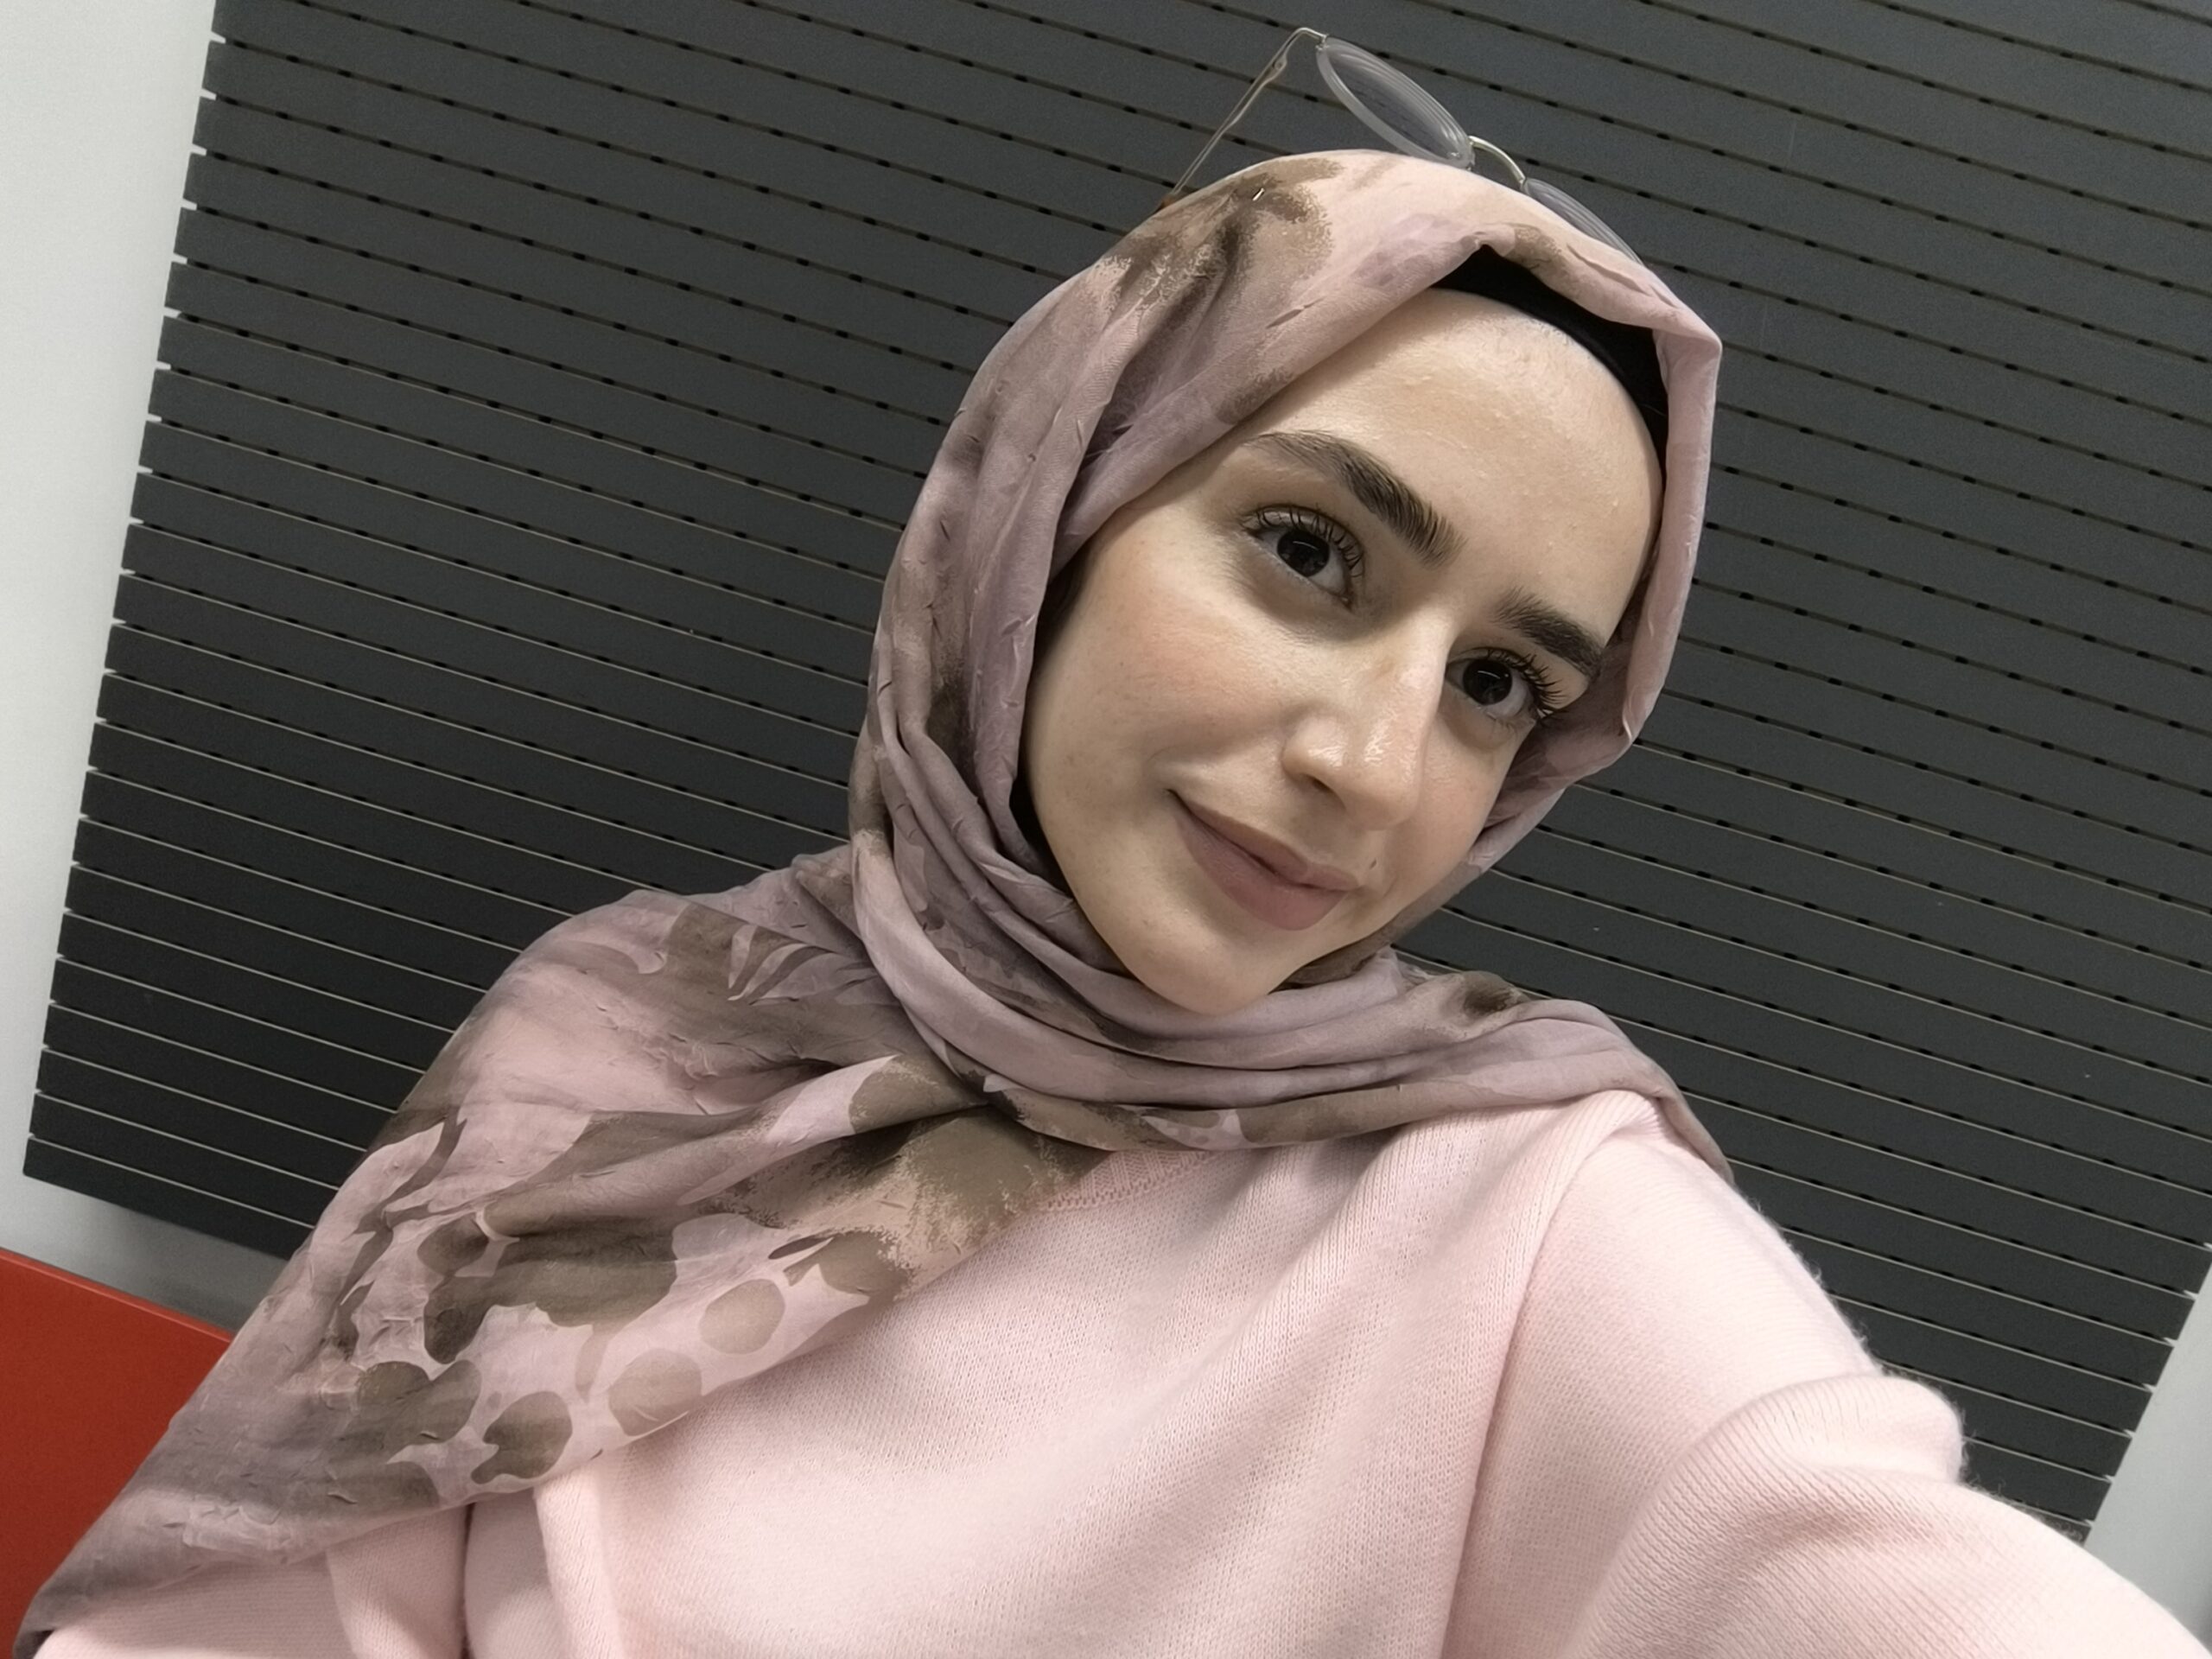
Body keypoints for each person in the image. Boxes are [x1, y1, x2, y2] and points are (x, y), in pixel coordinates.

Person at [20, 149, 2208, 1657]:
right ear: (1046, 519)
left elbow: (1844, 1558)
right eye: (1310, 552)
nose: (1376, 765)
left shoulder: (1518, 1223)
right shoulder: (617, 1035)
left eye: (1497, 686)